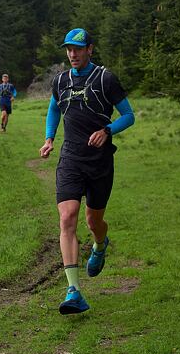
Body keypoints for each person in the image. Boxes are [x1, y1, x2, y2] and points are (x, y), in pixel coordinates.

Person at [38, 28, 135, 315]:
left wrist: (108, 130)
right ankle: (74, 290)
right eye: (69, 49)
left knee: (94, 222)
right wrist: (49, 138)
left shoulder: (105, 79)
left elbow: (129, 115)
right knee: (67, 218)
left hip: (100, 162)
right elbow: (54, 108)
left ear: (90, 49)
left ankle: (100, 244)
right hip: (70, 159)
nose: (72, 54)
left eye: (78, 49)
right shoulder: (61, 80)